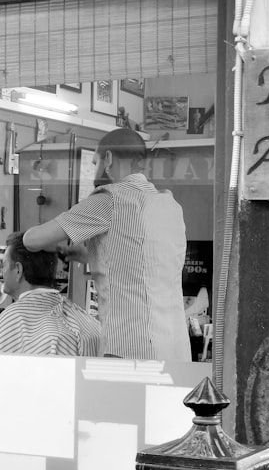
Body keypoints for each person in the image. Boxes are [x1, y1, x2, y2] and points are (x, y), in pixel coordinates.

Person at [23, 128, 190, 361]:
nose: (94, 170)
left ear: (108, 159)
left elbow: (33, 241)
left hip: (129, 347)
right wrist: (87, 254)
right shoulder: (170, 205)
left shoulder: (108, 200)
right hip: (175, 348)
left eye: (95, 162)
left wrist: (24, 235)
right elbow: (140, 256)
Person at [0, 233, 101, 357]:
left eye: (4, 265)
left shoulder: (16, 317)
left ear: (18, 270)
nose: (1, 274)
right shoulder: (86, 321)